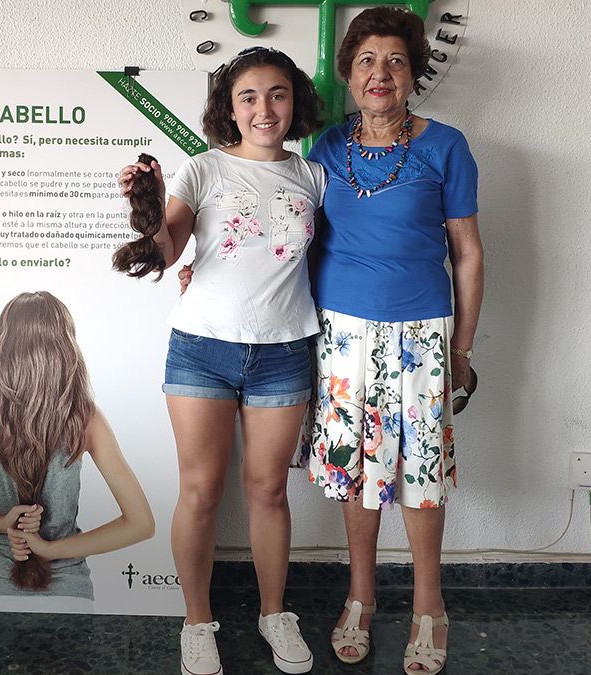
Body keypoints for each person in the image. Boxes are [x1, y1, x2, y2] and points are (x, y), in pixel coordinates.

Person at [116, 47, 326, 675]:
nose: (265, 109)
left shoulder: (314, 177)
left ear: (296, 102)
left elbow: (324, 262)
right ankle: (197, 621)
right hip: (202, 349)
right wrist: (147, 209)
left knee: (268, 491)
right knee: (201, 492)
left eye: (278, 94)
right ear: (228, 108)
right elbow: (168, 243)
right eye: (249, 97)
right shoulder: (202, 170)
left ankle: (273, 615)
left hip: (285, 350)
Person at [305, 7, 484, 673]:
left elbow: (467, 252)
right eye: (367, 61)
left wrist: (462, 348)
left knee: (419, 474)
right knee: (357, 471)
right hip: (342, 333)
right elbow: (297, 239)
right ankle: (360, 598)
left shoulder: (446, 146)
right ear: (348, 75)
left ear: (412, 74)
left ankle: (429, 606)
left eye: (396, 61)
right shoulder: (325, 147)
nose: (380, 73)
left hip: (422, 332)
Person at [0, 291, 155, 613]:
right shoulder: (86, 420)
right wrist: (50, 549)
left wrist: (0, 523)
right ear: (65, 347)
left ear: (4, 347)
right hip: (70, 590)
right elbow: (141, 524)